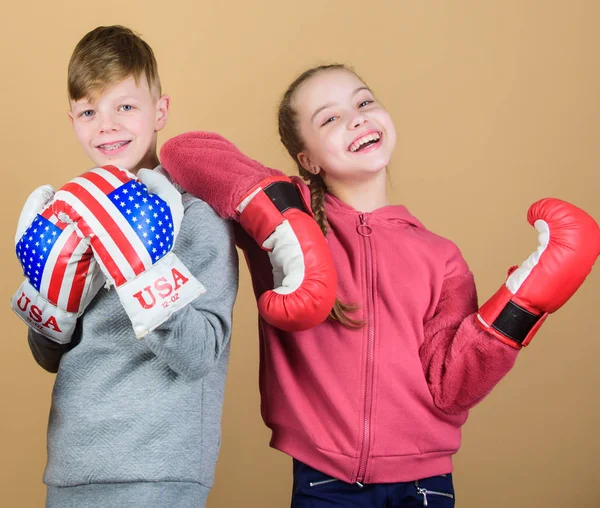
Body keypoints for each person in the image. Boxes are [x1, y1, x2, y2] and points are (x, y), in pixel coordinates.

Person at [160, 64, 600, 507]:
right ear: (307, 159)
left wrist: (521, 307)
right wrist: (280, 217)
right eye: (329, 118)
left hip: (425, 486)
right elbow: (185, 152)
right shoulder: (287, 228)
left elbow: (453, 389)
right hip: (325, 482)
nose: (355, 118)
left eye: (364, 102)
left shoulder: (441, 256)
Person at [11, 25, 239, 508]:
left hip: (159, 468)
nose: (107, 125)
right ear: (71, 118)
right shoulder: (67, 216)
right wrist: (51, 297)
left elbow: (200, 354)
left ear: (160, 112)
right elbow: (49, 355)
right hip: (72, 466)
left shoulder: (196, 217)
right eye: (90, 110)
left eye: (126, 106)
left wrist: (141, 270)